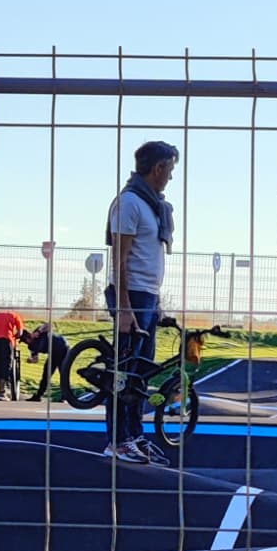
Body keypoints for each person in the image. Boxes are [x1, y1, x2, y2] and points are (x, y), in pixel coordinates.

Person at [103, 140, 178, 465]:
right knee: (124, 374)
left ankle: (135, 436)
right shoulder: (129, 203)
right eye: (170, 170)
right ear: (157, 168)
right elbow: (119, 260)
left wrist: (156, 305)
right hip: (130, 295)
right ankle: (118, 440)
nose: (171, 177)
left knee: (140, 375)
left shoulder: (153, 206)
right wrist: (124, 309)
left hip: (148, 296)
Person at [23, 322, 70, 401]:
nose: (26, 342)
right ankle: (38, 396)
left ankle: (65, 397)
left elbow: (49, 325)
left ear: (30, 335)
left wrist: (39, 332)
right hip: (53, 353)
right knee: (46, 374)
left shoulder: (38, 332)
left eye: (26, 339)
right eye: (24, 341)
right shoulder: (31, 347)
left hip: (62, 347)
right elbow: (35, 359)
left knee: (63, 373)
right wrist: (31, 360)